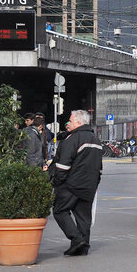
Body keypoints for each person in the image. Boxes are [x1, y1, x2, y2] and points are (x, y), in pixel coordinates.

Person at [51, 109, 103, 257]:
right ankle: (82, 248)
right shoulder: (96, 140)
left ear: (79, 123)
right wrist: (95, 184)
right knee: (83, 217)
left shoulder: (73, 139)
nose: (68, 123)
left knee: (59, 211)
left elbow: (62, 166)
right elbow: (99, 168)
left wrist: (56, 183)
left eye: (71, 120)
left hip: (71, 184)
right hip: (89, 186)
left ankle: (77, 239)